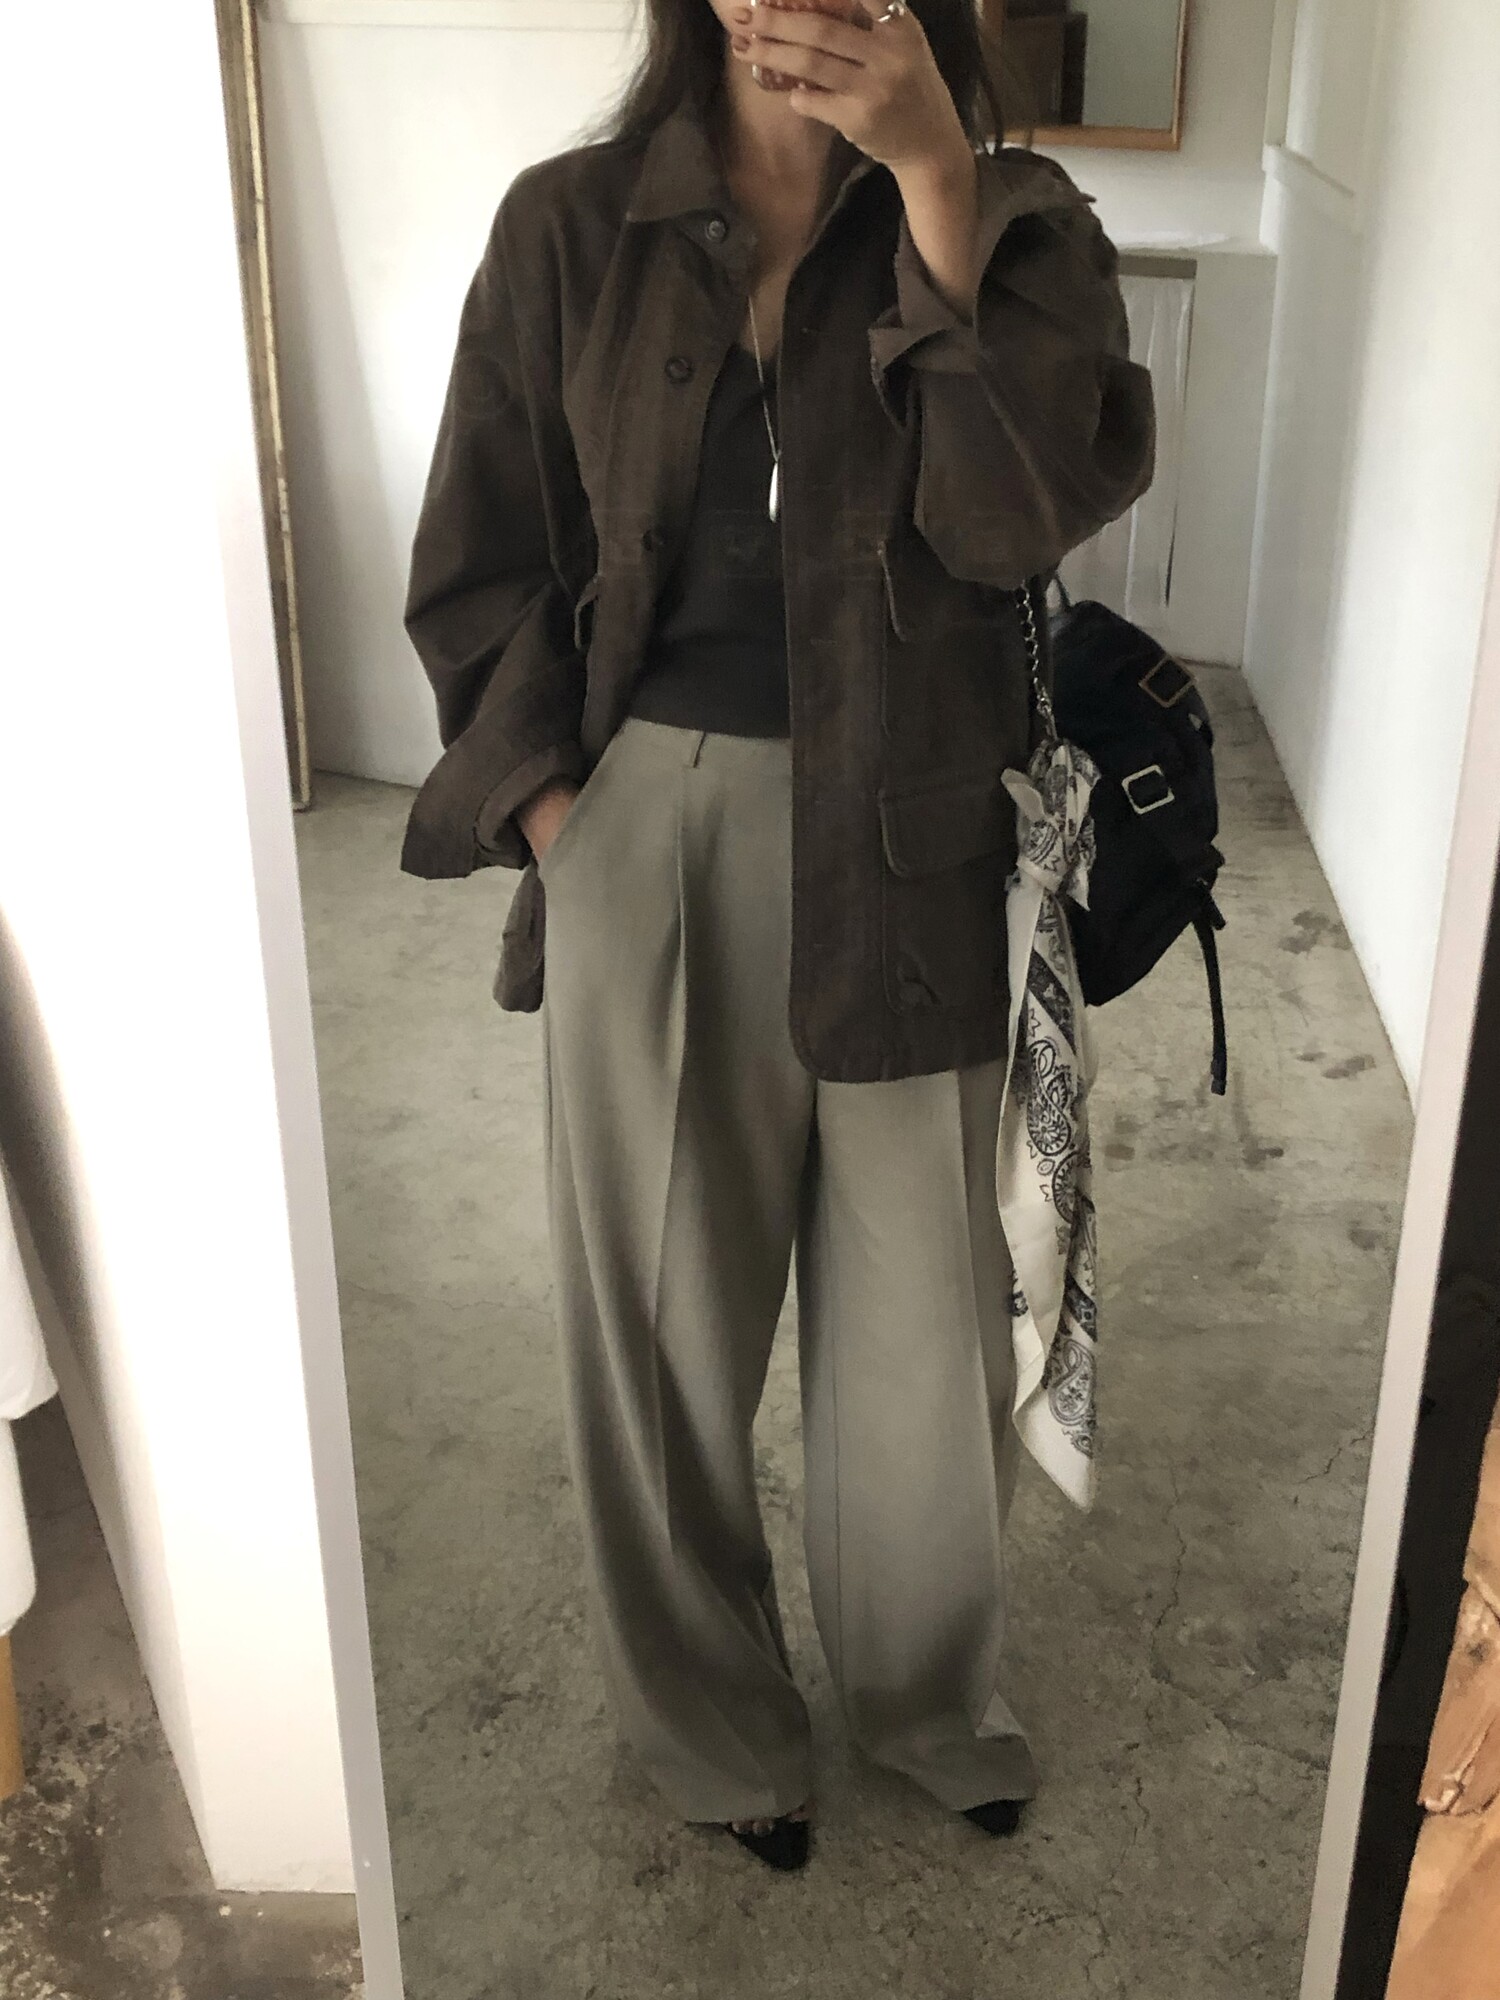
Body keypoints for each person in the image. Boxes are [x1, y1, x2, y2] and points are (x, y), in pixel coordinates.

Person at [399, 0, 1155, 1874]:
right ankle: (715, 1724)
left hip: (921, 830)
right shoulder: (570, 224)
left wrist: (934, 183)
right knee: (660, 1327)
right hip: (650, 830)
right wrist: (566, 823)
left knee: (927, 1334)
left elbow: (1011, 527)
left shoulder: (1027, 222)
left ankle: (927, 1697)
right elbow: (482, 557)